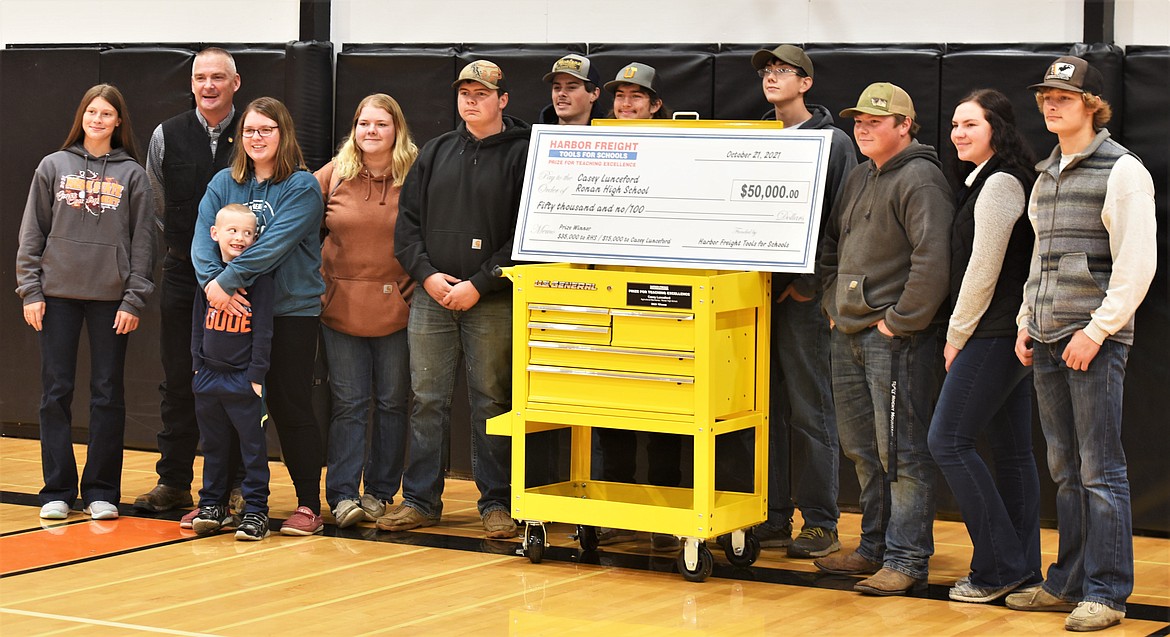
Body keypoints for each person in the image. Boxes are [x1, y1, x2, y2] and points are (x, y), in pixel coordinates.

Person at [1005, 56, 1156, 633]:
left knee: (1100, 470)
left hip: (1093, 342)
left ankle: (1108, 592)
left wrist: (1097, 331)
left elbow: (1137, 265)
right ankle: (1066, 582)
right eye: (1046, 96)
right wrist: (1025, 319)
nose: (1050, 104)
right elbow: (1040, 261)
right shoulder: (1046, 172)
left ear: (1092, 105)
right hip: (1044, 338)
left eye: (1063, 98)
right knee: (1065, 468)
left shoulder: (1123, 171)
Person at [378, 60, 530, 539]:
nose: (471, 100)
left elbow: (526, 237)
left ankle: (498, 503)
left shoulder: (525, 154)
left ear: (502, 101)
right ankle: (421, 499)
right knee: (426, 399)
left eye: (482, 93)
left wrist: (480, 284)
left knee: (491, 401)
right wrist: (427, 277)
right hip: (432, 297)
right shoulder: (436, 152)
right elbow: (407, 229)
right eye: (465, 92)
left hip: (492, 298)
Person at [813, 82, 953, 595]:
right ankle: (873, 547)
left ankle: (908, 557)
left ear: (904, 125)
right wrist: (832, 304)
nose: (864, 127)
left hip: (894, 341)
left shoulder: (922, 180)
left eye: (877, 120)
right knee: (861, 448)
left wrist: (899, 321)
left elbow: (933, 262)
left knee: (902, 453)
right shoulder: (857, 176)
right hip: (846, 333)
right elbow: (831, 246)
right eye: (859, 120)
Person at [16, 84, 156, 521]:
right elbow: (32, 232)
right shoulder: (52, 166)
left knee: (107, 394)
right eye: (92, 111)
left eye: (107, 113)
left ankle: (101, 491)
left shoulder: (133, 174)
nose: (98, 119)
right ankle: (56, 489)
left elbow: (143, 243)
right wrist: (30, 289)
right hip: (55, 297)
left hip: (111, 301)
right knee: (55, 392)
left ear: (118, 122)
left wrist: (133, 300)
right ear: (82, 117)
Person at [193, 96, 328, 536]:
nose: (256, 137)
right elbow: (202, 241)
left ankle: (309, 504)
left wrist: (225, 283)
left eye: (266, 129)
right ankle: (225, 499)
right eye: (250, 130)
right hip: (229, 312)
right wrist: (216, 290)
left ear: (283, 134)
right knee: (229, 405)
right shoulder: (222, 183)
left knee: (290, 405)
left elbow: (274, 247)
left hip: (290, 312)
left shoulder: (303, 186)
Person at [927, 89, 1041, 603]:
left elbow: (983, 269)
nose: (958, 134)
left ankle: (997, 569)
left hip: (992, 333)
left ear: (997, 127)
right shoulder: (992, 180)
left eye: (970, 124)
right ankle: (1021, 568)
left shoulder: (999, 183)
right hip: (1005, 333)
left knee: (947, 442)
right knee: (1014, 452)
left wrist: (956, 335)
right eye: (954, 125)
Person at [748, 43, 857, 558]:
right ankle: (770, 513)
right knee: (762, 408)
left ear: (806, 83)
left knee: (811, 408)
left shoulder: (832, 141)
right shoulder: (755, 135)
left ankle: (820, 520)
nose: (772, 77)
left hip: (802, 298)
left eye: (783, 70)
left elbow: (845, 218)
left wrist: (815, 284)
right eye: (768, 70)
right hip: (753, 296)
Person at [136, 47, 245, 520]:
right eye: (201, 77)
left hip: (242, 280)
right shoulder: (167, 135)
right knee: (178, 378)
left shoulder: (255, 131)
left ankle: (238, 486)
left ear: (235, 83)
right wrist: (196, 257)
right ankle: (174, 480)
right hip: (183, 272)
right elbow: (156, 206)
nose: (208, 86)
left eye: (218, 77)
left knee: (236, 382)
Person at [315, 93, 418, 528]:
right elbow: (295, 221)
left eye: (380, 124)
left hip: (399, 307)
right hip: (340, 308)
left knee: (394, 404)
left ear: (397, 129)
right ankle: (342, 494)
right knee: (349, 404)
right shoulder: (334, 174)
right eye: (363, 123)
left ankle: (379, 491)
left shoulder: (416, 174)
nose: (370, 131)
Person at [594, 61, 681, 552]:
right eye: (620, 97)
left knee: (666, 411)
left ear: (655, 105)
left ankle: (667, 514)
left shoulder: (677, 149)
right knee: (613, 408)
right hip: (609, 293)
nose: (625, 105)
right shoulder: (596, 144)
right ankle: (617, 507)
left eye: (636, 98)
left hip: (663, 296)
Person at [190, 204, 274, 541]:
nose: (239, 238)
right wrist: (197, 366)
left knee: (252, 449)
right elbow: (197, 323)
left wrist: (255, 375)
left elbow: (264, 331)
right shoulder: (207, 278)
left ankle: (256, 511)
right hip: (208, 376)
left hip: (243, 379)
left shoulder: (260, 279)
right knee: (213, 446)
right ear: (215, 234)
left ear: (255, 239)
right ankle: (213, 505)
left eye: (247, 233)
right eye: (232, 231)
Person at [537, 53, 604, 126]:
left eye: (571, 87)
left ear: (594, 94)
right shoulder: (531, 136)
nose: (561, 93)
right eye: (557, 88)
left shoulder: (611, 135)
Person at [604, 62, 671, 120]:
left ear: (655, 105)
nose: (626, 104)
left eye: (636, 96)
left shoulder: (671, 134)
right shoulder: (599, 133)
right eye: (620, 95)